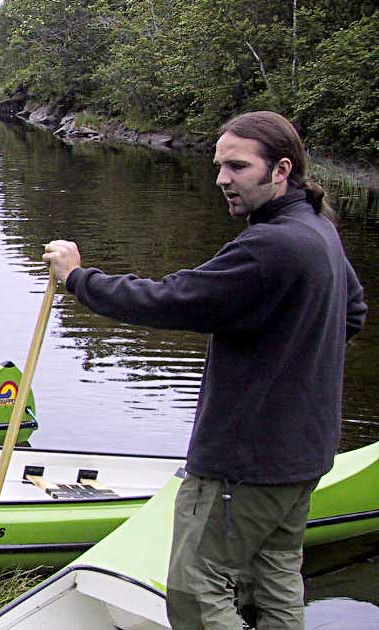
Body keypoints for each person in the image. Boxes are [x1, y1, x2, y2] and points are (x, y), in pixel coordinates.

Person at [42, 111, 367, 630]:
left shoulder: (272, 246)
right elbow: (352, 313)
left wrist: (80, 278)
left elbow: (173, 300)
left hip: (247, 461)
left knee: (196, 589)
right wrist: (292, 357)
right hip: (304, 453)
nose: (222, 179)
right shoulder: (317, 229)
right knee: (275, 578)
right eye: (219, 166)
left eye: (237, 167)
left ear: (281, 169)